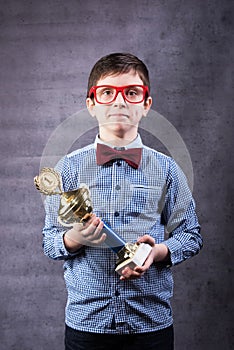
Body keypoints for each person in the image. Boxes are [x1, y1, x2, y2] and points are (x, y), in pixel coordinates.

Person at [42, 53, 203, 350]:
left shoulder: (167, 169)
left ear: (146, 105)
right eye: (107, 93)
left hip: (150, 324)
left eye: (131, 93)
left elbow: (190, 235)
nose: (119, 102)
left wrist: (157, 252)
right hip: (87, 325)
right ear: (91, 105)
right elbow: (50, 241)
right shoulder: (67, 169)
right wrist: (74, 238)